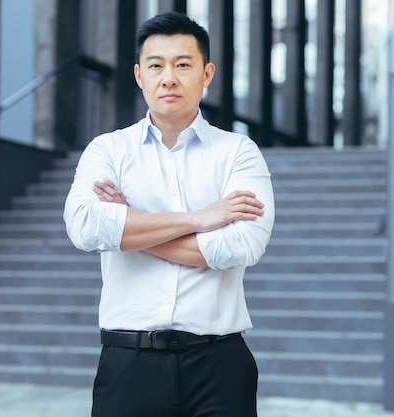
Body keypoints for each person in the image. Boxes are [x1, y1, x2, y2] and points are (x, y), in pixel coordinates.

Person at [63, 11, 275, 417]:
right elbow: (86, 227)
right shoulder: (107, 151)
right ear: (139, 75)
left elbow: (241, 244)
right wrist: (202, 218)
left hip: (218, 365)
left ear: (207, 73)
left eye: (183, 64)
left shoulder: (238, 153)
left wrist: (130, 226)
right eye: (156, 66)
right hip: (129, 364)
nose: (169, 77)